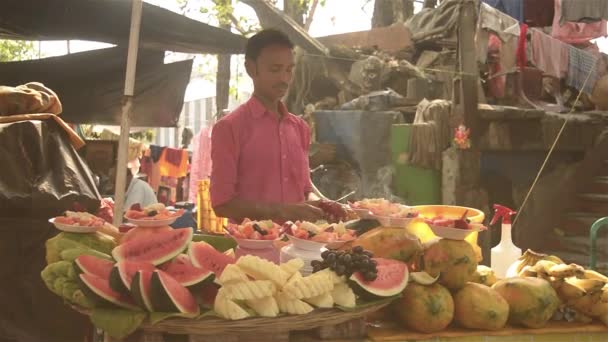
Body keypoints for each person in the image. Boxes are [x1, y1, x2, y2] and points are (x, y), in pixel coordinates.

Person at [210, 29, 344, 223]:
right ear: (251, 68)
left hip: (300, 247)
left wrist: (323, 205)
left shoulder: (300, 129)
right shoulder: (229, 128)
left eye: (289, 70)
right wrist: (281, 211)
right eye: (275, 69)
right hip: (251, 249)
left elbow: (305, 192)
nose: (284, 79)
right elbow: (222, 204)